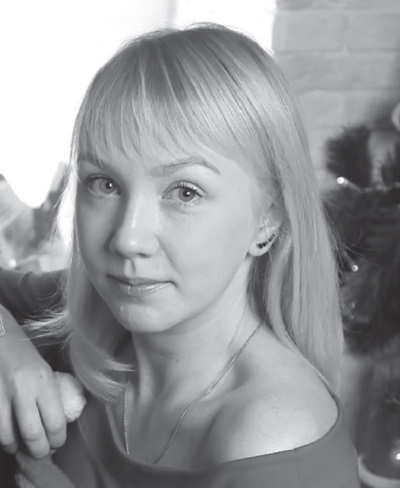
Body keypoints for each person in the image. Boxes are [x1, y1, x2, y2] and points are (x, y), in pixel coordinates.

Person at [0, 23, 360, 487]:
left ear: (268, 218)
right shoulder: (75, 321)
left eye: (185, 192)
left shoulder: (275, 443)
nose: (128, 238)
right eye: (104, 184)